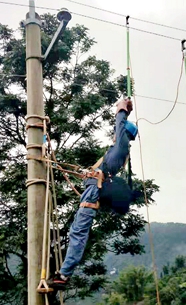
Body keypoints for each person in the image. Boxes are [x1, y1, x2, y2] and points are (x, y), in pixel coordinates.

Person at [48, 98, 139, 289]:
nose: (115, 134)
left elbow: (120, 126)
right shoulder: (116, 151)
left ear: (123, 134)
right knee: (76, 231)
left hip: (92, 194)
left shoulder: (122, 146)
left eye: (117, 133)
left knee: (78, 233)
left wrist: (122, 110)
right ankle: (63, 272)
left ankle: (63, 276)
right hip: (91, 190)